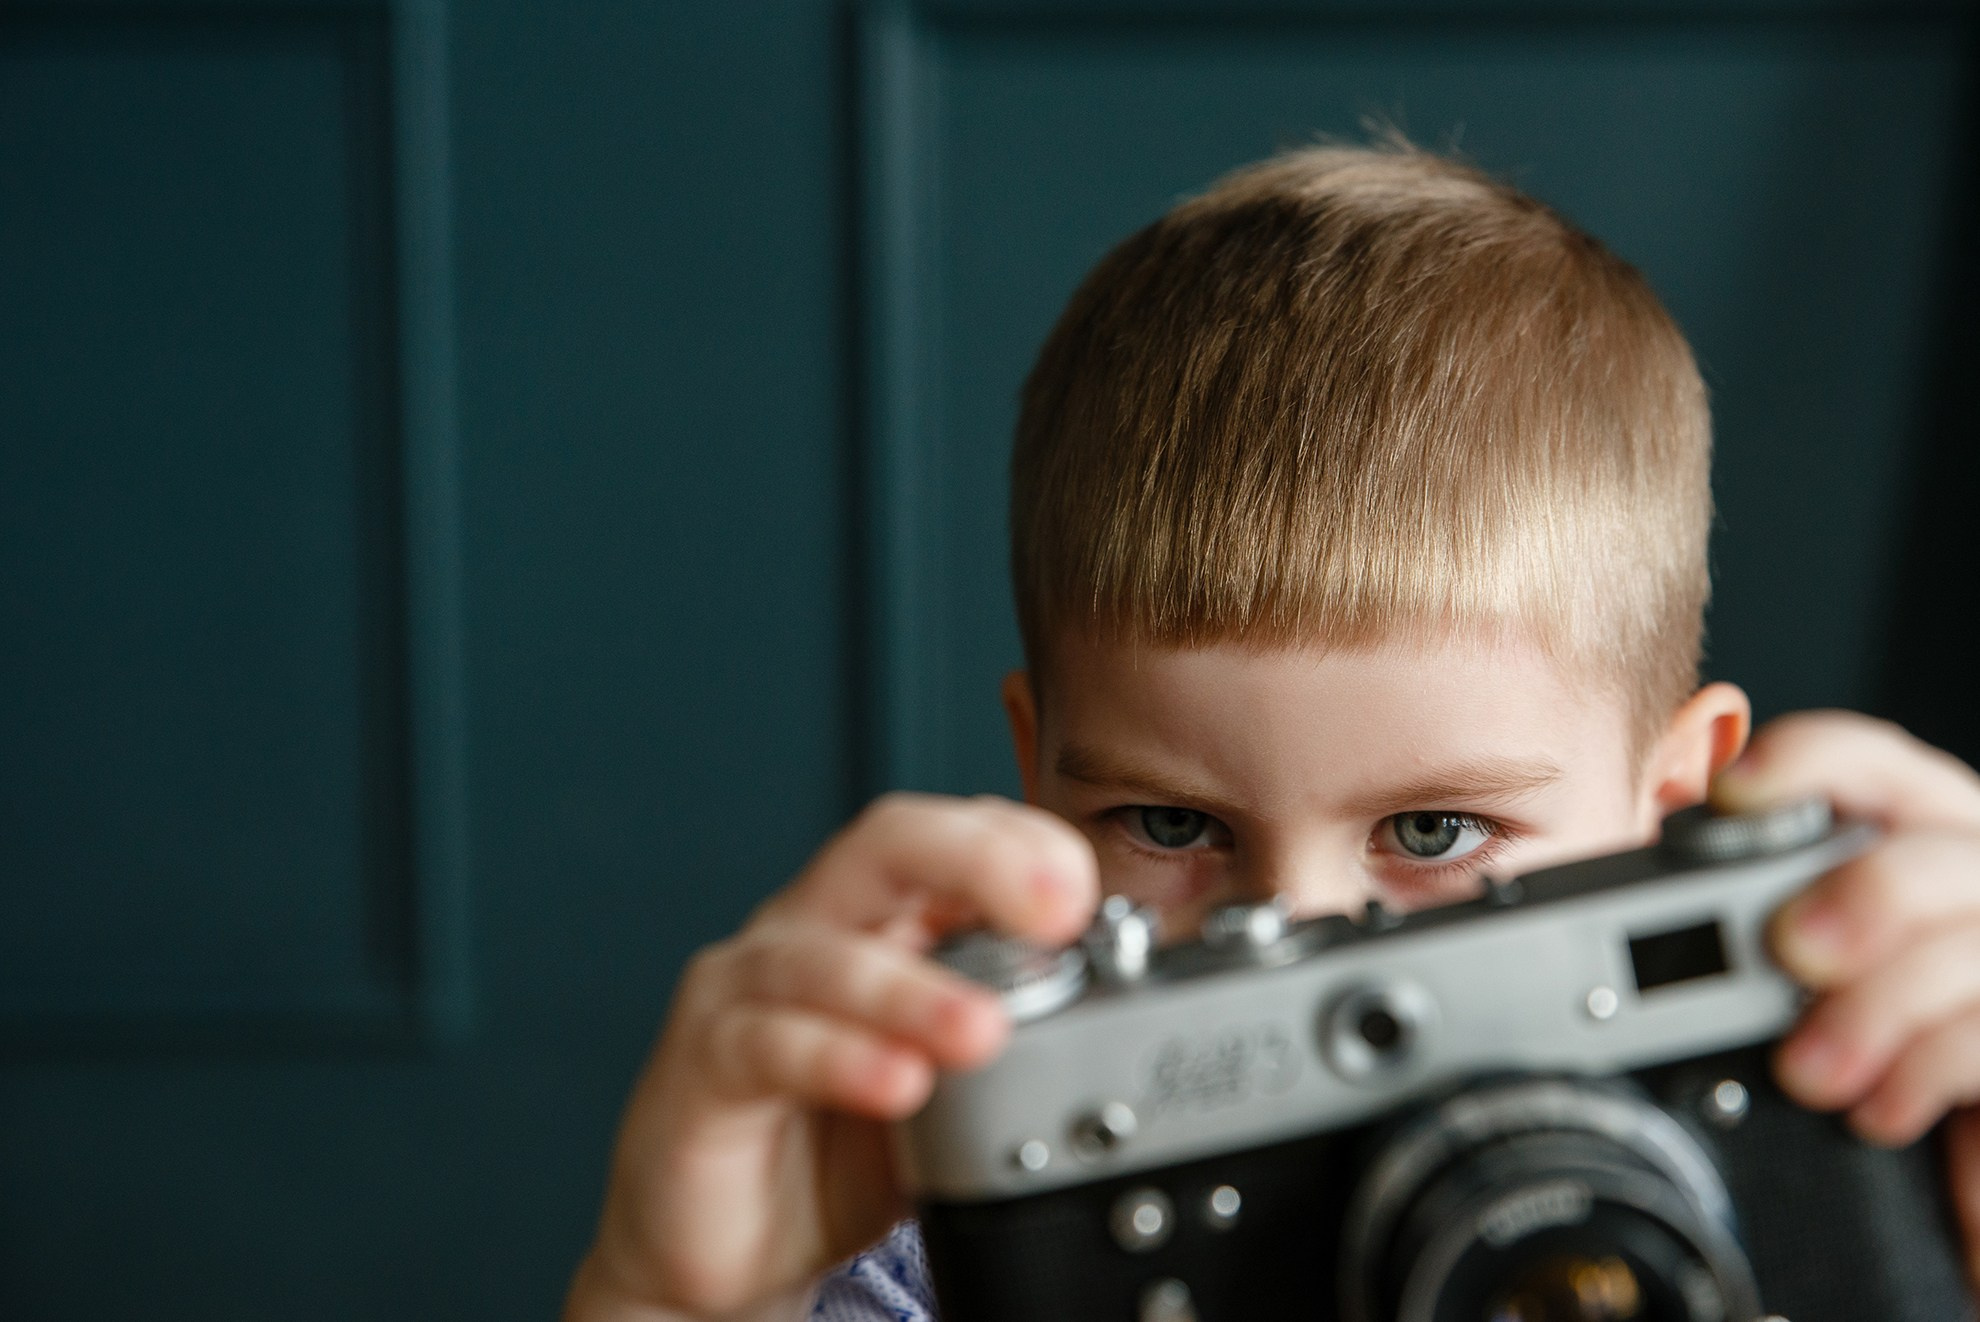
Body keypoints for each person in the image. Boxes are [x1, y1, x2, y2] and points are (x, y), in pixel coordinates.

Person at [562, 142, 1980, 1322]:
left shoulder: (1823, 1193)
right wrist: (664, 1301)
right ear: (1034, 789)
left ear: (1679, 807)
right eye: (1172, 824)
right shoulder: (960, 1246)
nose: (1298, 925)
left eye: (1434, 831)